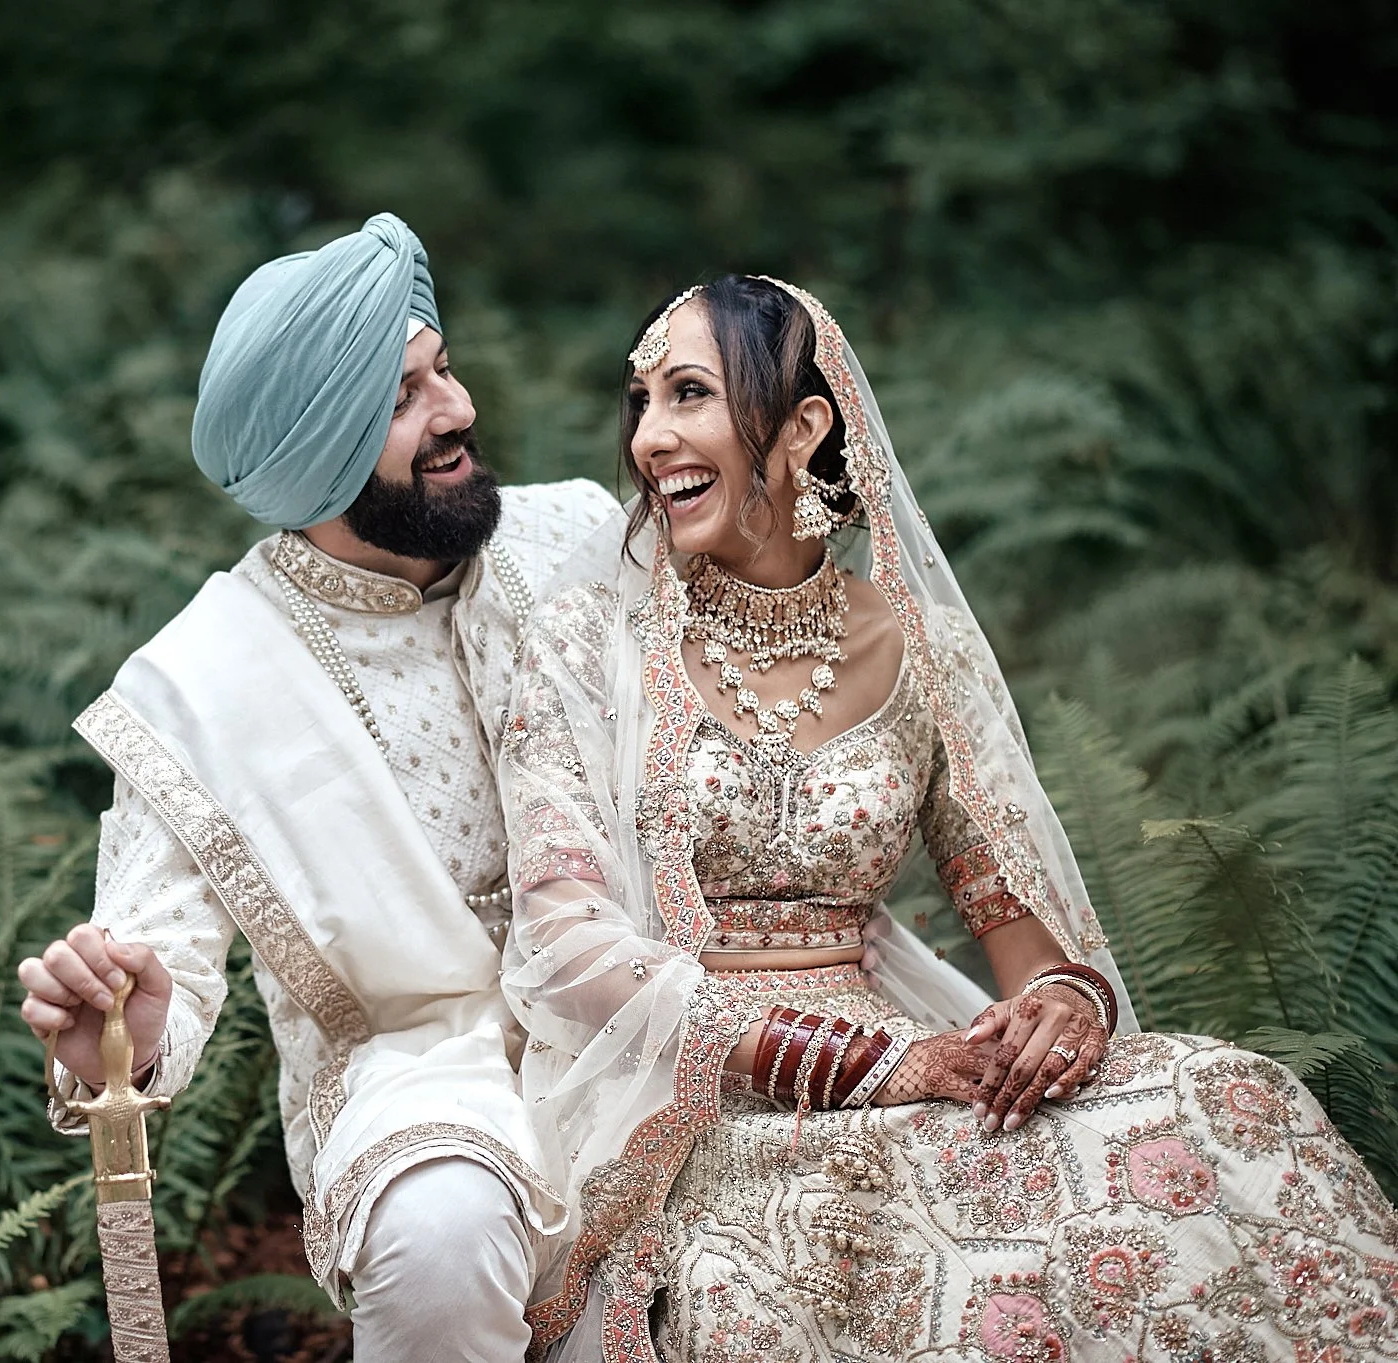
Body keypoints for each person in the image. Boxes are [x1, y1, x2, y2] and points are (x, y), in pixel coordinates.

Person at [500, 274, 1398, 1361]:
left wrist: (1061, 1006)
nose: (649, 436)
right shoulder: (577, 641)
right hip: (687, 1085)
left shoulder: (918, 646)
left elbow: (1024, 930)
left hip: (910, 1054)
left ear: (801, 428)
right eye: (639, 400)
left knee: (1227, 1100)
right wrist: (855, 1067)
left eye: (687, 394)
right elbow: (562, 946)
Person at [16, 212, 615, 1362]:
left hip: (644, 1012)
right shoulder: (203, 681)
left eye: (442, 370)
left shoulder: (578, 536)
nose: (457, 412)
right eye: (402, 399)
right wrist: (131, 1029)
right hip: (415, 1076)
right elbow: (155, 965)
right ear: (318, 452)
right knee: (441, 1233)